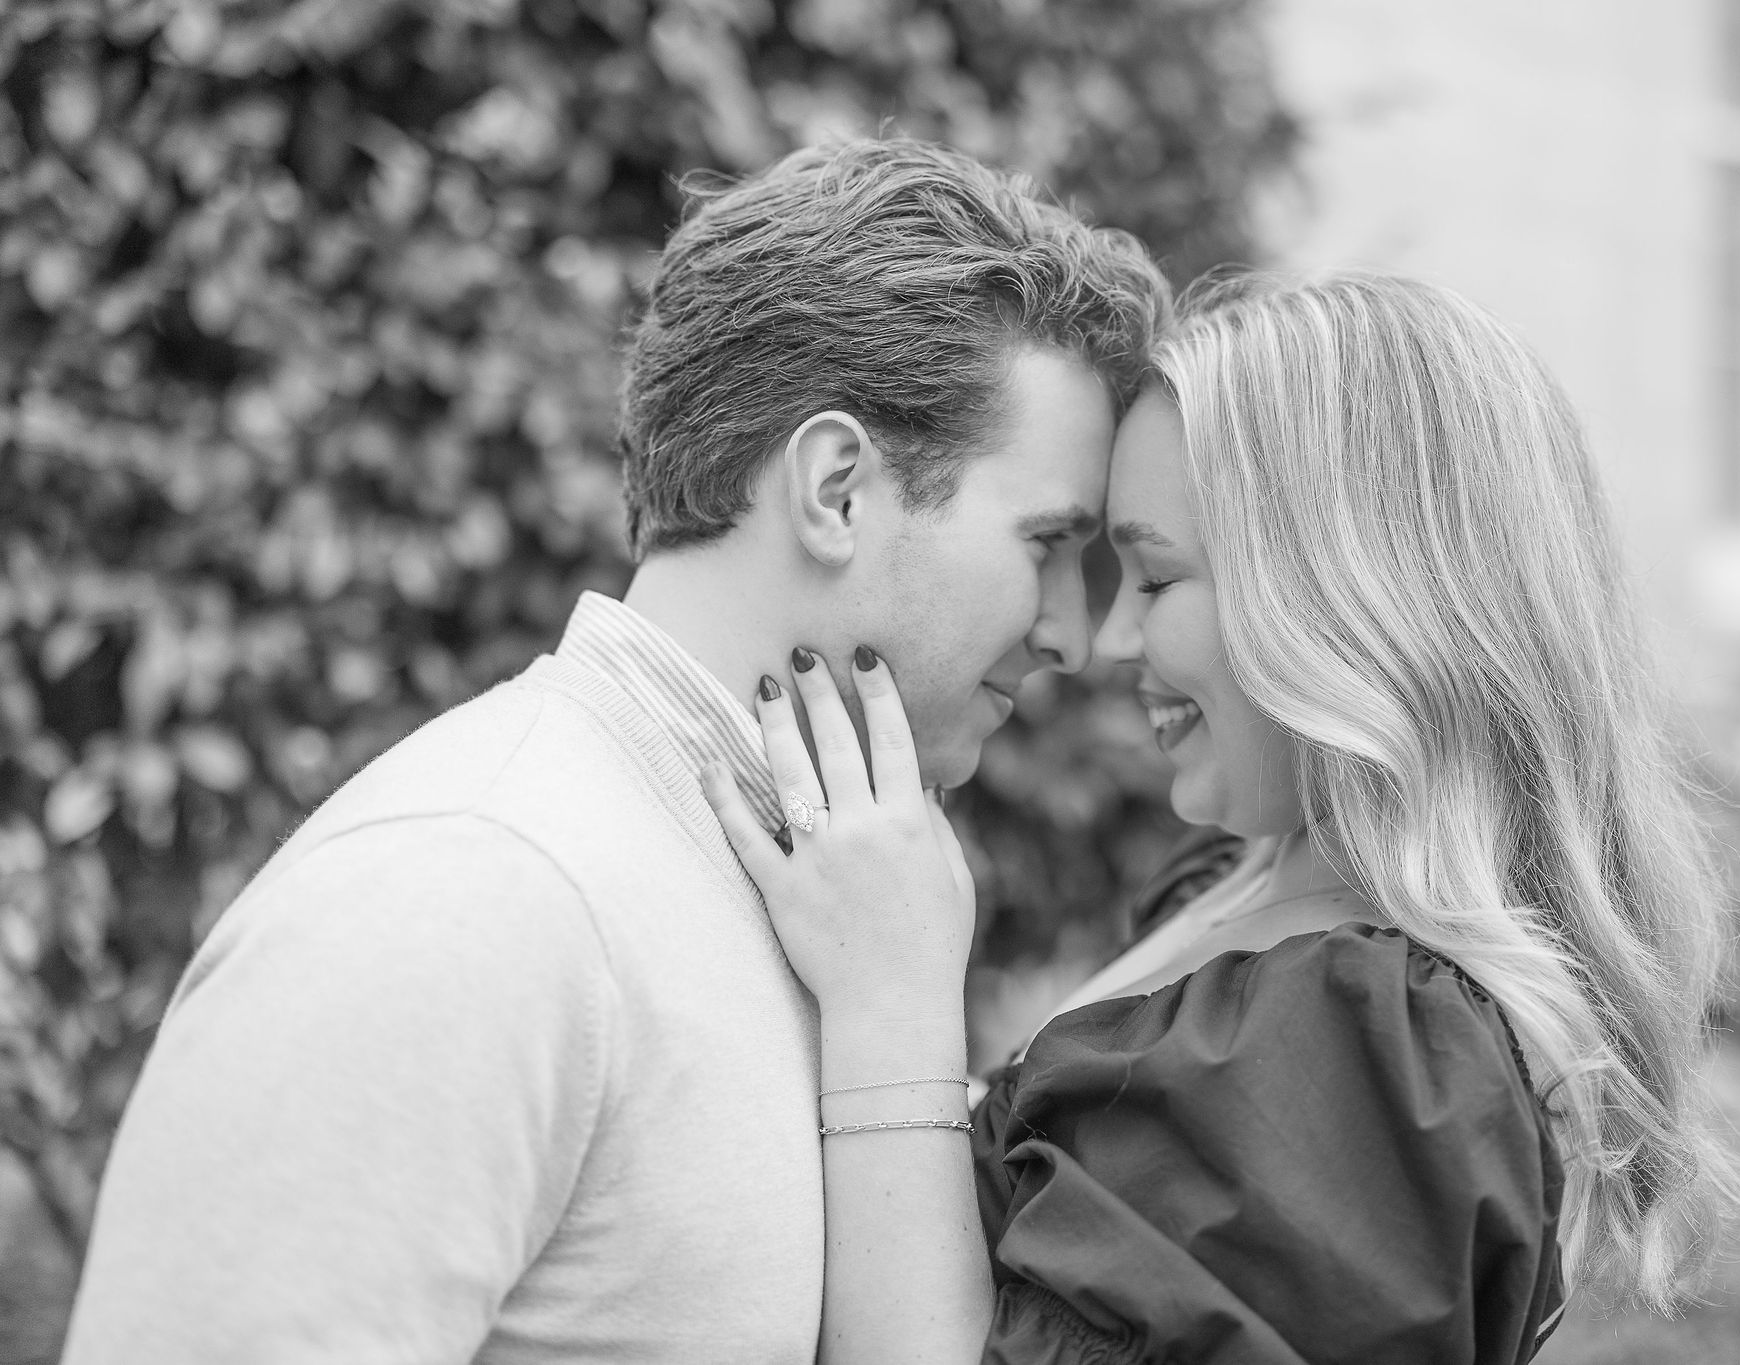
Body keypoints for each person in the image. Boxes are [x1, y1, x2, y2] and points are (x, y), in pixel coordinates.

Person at [59, 139, 1169, 1364]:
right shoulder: (467, 893)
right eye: (1045, 545)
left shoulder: (841, 908)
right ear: (838, 489)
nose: (1072, 634)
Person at [705, 272, 1740, 1363]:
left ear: (1342, 605)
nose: (1106, 643)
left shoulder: (1357, 1048)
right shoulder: (1245, 887)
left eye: (1155, 581)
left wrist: (893, 1008)